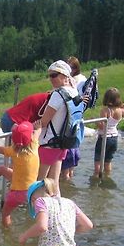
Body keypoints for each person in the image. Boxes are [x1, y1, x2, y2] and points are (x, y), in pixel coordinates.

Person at [0, 121, 40, 226]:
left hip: (17, 192)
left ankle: (6, 230)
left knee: (5, 213)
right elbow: (37, 132)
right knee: (3, 169)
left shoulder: (13, 151)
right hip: (33, 189)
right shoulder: (34, 146)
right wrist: (38, 127)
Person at [36, 60, 79, 194]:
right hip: (63, 143)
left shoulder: (57, 95)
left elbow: (44, 121)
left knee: (39, 183)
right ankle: (58, 210)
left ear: (64, 76)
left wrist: (27, 127)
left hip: (48, 143)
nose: (51, 79)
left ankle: (34, 212)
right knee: (54, 184)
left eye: (54, 75)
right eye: (50, 75)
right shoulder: (74, 92)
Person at [93, 88, 124, 176]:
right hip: (114, 137)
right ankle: (108, 176)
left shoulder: (105, 110)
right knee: (108, 160)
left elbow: (102, 126)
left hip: (104, 138)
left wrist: (95, 121)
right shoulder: (120, 111)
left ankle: (96, 177)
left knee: (98, 160)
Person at [61, 57, 86, 180]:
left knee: (65, 163)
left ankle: (65, 187)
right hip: (77, 121)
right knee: (72, 157)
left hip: (69, 121)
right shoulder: (83, 79)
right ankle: (70, 179)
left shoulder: (74, 81)